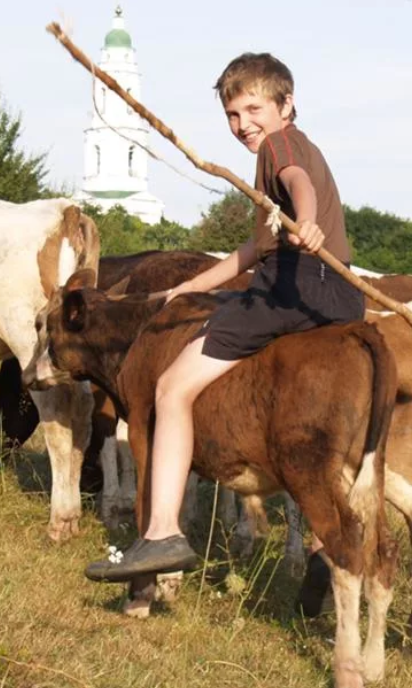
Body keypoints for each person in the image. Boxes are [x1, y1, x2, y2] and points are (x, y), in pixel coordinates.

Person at [86, 52, 363, 582]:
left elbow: (297, 180)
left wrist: (305, 221)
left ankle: (163, 531)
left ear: (288, 104)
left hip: (291, 290)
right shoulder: (298, 150)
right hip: (339, 295)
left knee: (171, 387)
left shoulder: (282, 147)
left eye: (254, 108)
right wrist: (189, 286)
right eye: (233, 115)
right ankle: (328, 552)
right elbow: (254, 248)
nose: (243, 125)